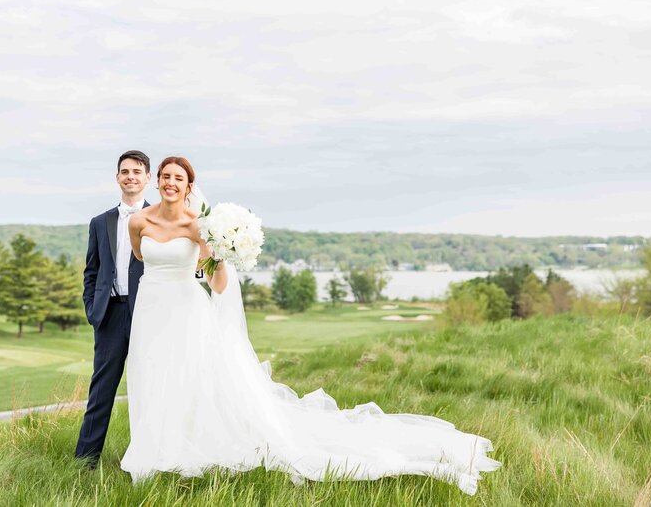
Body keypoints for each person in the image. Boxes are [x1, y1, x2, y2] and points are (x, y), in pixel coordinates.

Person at [120, 156, 501, 495]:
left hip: (188, 310)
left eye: (178, 179)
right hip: (152, 309)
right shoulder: (139, 221)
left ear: (188, 187)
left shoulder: (197, 227)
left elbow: (216, 284)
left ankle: (185, 450)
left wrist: (220, 256)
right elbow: (141, 257)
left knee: (189, 379)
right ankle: (153, 452)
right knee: (151, 376)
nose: (170, 183)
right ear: (158, 182)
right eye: (166, 177)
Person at [74, 150, 152, 468]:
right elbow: (92, 272)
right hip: (109, 315)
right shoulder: (100, 222)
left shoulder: (160, 218)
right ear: (117, 178)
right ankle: (84, 462)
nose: (130, 176)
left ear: (148, 177)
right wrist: (93, 310)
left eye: (137, 171)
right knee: (101, 391)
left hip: (150, 314)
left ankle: (148, 460)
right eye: (124, 171)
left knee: (150, 387)